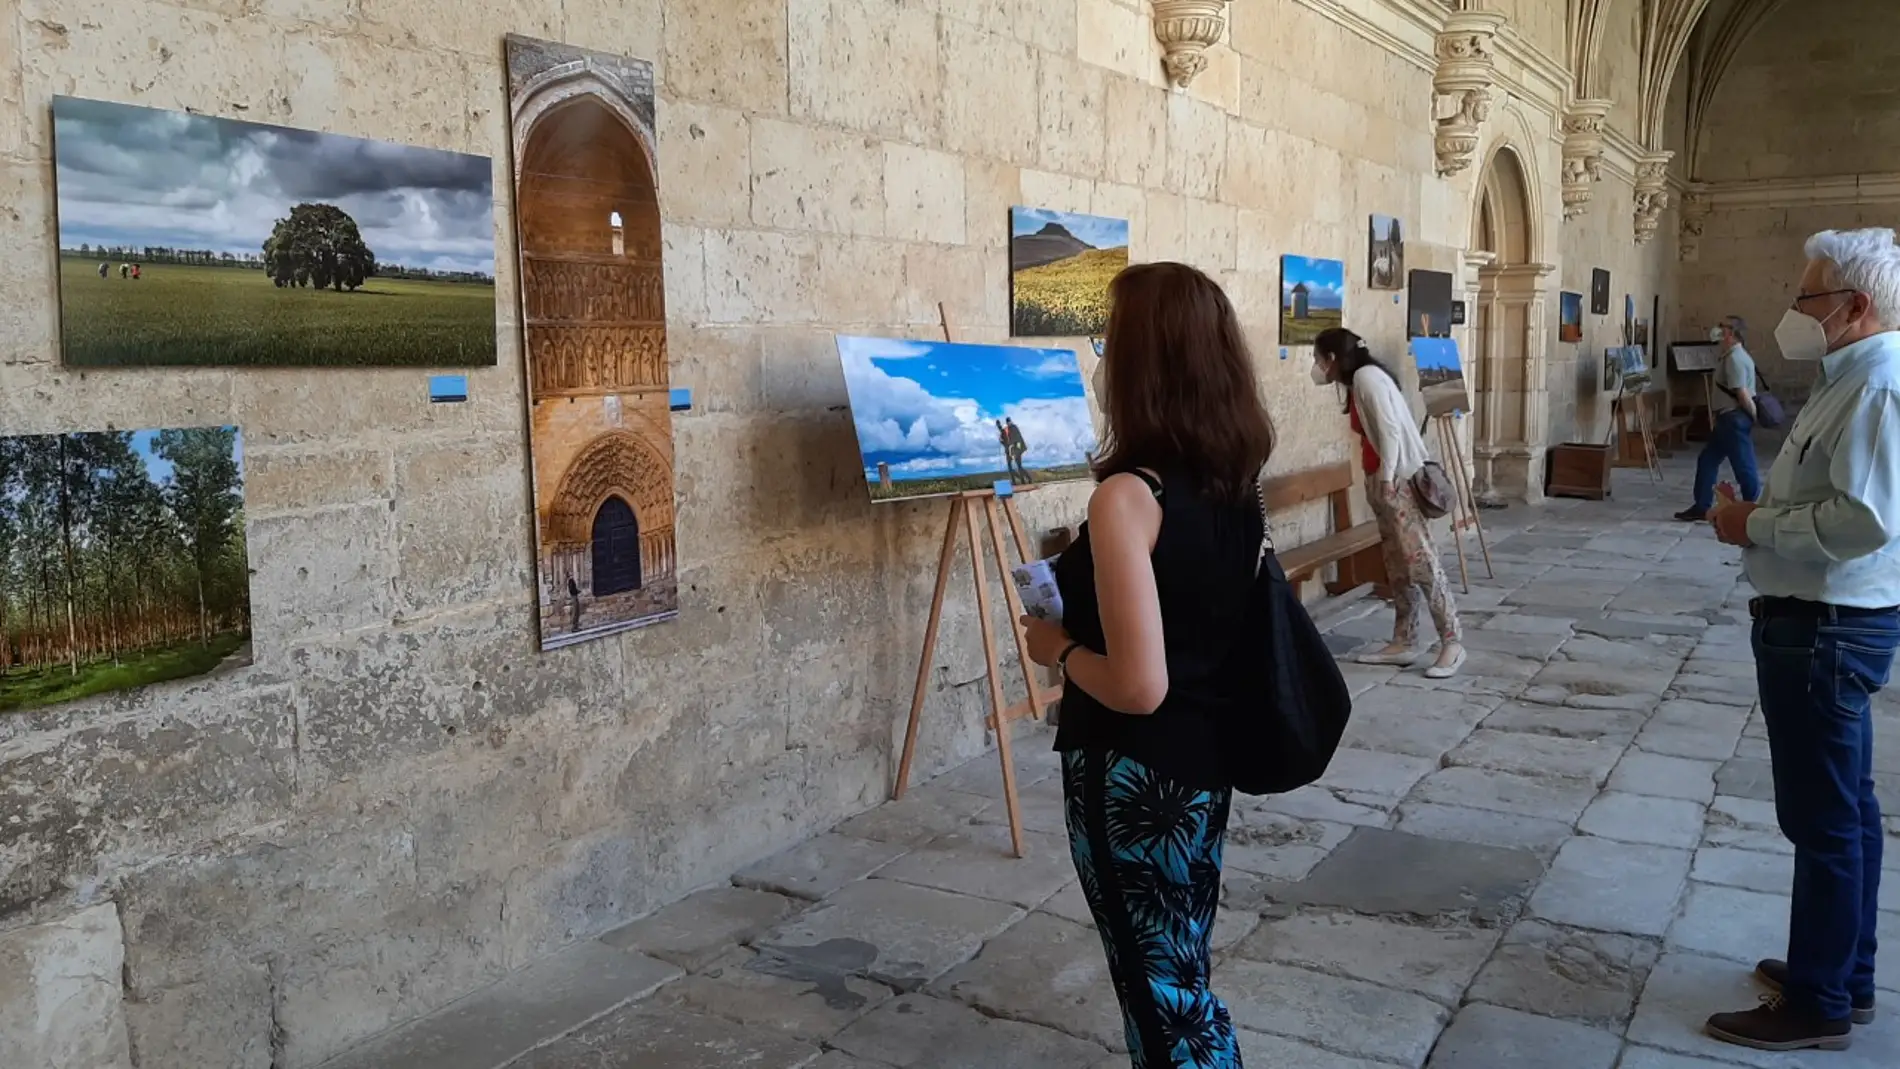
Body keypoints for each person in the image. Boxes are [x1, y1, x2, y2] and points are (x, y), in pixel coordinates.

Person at [1019, 261, 1272, 1069]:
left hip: (1134, 774)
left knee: (1156, 993)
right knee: (1181, 975)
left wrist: (1056, 648)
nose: (1099, 360)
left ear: (1143, 362)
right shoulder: (1234, 482)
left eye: (1109, 341)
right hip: (1203, 766)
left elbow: (1138, 683)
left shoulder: (1129, 496)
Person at [1704, 227, 1900, 1053]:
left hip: (1827, 627)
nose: (1795, 310)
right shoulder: (1848, 377)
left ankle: (1820, 1000)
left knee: (1823, 819)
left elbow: (1865, 519)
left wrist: (1753, 521)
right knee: (1846, 808)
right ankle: (1841, 971)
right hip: (1820, 622)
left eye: (1808, 297)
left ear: (1855, 307)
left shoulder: (1878, 387)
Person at [1311, 328, 1465, 678]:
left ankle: (1452, 641)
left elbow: (1391, 430)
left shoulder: (1367, 378)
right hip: (1383, 479)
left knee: (1420, 559)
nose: (1317, 366)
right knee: (1397, 563)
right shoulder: (1359, 381)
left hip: (1397, 481)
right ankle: (1404, 640)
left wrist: (1386, 479)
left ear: (1333, 358)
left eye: (1318, 358)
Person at [1676, 315, 1761, 521]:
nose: (1717, 329)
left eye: (1722, 326)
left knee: (1743, 464)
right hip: (1728, 419)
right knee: (1708, 459)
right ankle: (1702, 505)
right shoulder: (1732, 356)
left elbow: (1741, 392)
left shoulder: (1735, 359)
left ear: (1730, 332)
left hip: (1733, 418)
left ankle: (1753, 506)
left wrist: (1753, 416)